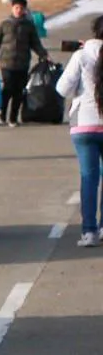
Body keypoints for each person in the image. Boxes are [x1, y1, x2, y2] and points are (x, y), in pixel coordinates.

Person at [55, 15, 103, 247]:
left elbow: (62, 89)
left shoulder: (82, 56)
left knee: (89, 178)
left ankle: (89, 231)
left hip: (84, 124)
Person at [0, 0, 48, 128]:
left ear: (25, 10)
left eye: (21, 8)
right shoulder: (4, 24)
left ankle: (13, 118)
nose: (18, 10)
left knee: (19, 91)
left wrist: (44, 55)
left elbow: (36, 43)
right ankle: (2, 111)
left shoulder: (29, 26)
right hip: (6, 63)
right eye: (16, 8)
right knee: (8, 88)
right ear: (12, 8)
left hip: (23, 64)